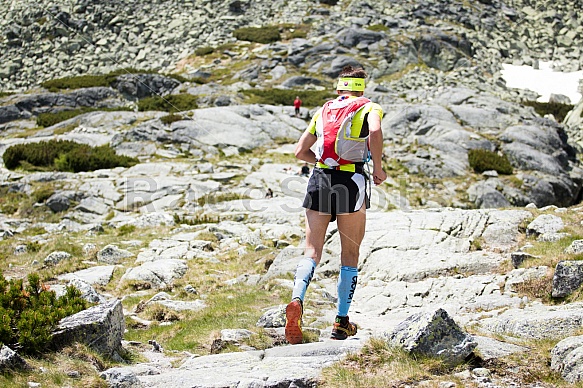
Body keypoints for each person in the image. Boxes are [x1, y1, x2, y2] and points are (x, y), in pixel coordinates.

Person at [285, 65, 387, 344]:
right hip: (350, 180)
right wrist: (377, 167)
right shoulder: (370, 108)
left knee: (312, 249)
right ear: (361, 86)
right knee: (349, 254)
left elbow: (299, 151)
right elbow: (375, 132)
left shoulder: (324, 110)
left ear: (339, 86)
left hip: (319, 177)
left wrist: (324, 164)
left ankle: (297, 300)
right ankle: (341, 322)